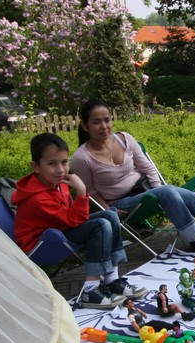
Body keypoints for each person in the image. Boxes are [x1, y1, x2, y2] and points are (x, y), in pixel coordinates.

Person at [69, 98, 195, 256]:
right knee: (169, 192)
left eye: (107, 120)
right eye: (97, 122)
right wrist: (109, 210)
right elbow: (89, 192)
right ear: (85, 126)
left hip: (145, 191)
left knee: (194, 199)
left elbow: (148, 168)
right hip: (121, 204)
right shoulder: (81, 158)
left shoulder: (124, 139)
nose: (104, 126)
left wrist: (158, 191)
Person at [13, 132, 147, 309]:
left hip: (59, 230)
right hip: (44, 243)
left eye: (64, 162)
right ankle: (89, 290)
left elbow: (72, 218)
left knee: (110, 215)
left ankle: (111, 280)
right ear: (35, 166)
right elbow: (75, 220)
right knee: (100, 225)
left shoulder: (58, 183)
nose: (60, 170)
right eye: (52, 164)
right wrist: (82, 192)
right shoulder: (38, 198)